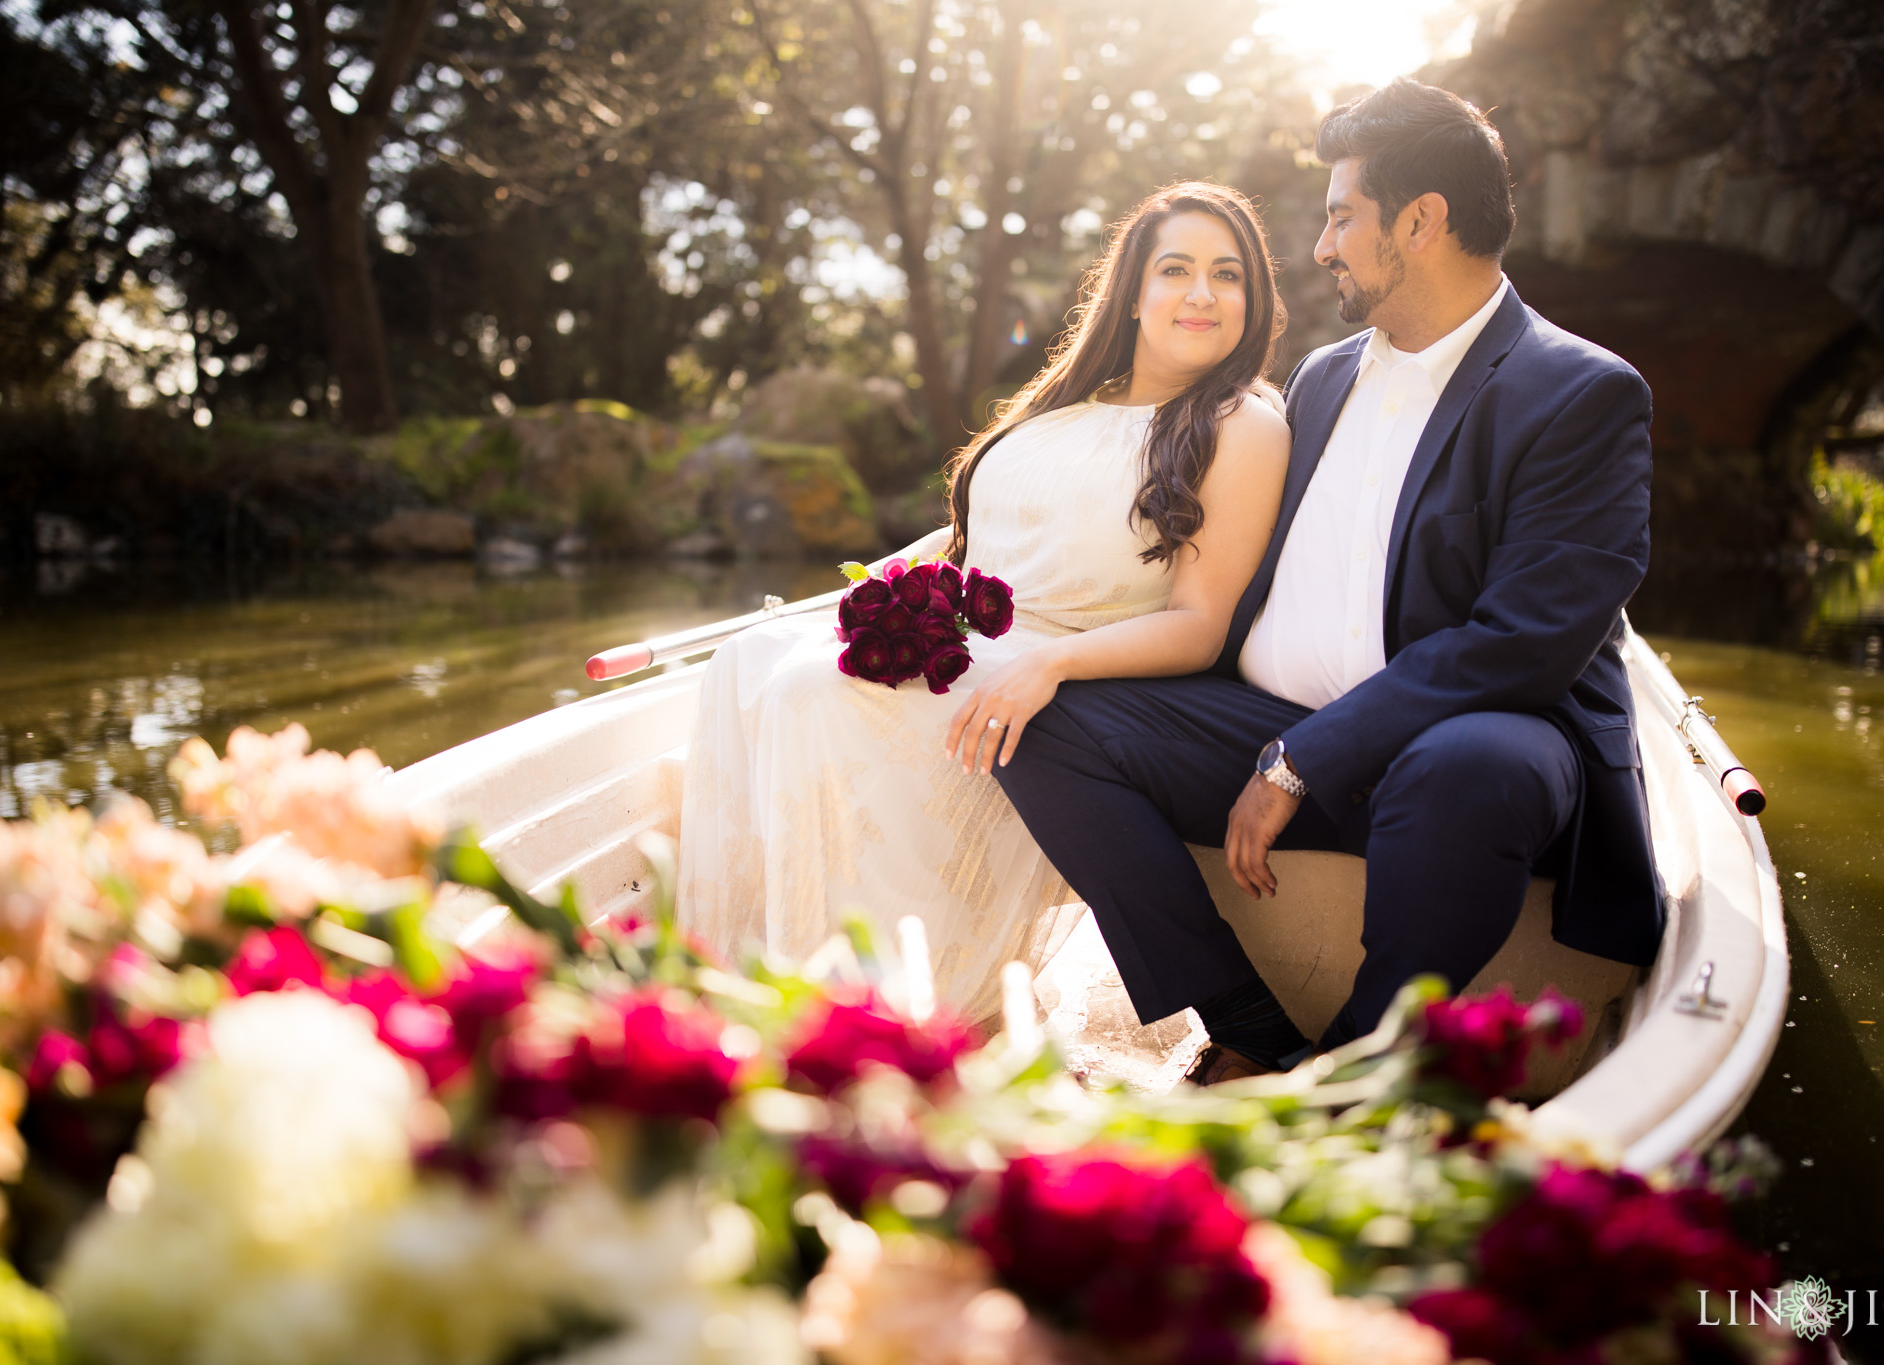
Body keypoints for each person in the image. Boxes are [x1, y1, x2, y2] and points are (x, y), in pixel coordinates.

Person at [992, 79, 1667, 1083]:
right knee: (1042, 718)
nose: (1319, 248)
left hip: (1460, 752)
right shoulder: (1321, 378)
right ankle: (1245, 1028)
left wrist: (1300, 759)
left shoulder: (1577, 393)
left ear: (1420, 222)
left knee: (1467, 767)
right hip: (1263, 728)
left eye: (1340, 217)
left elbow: (1522, 644)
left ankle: (1353, 1078)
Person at [676, 181, 1291, 1019]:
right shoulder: (1068, 402)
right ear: (1134, 293)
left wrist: (1052, 664)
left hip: (1076, 670)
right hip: (973, 629)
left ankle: (870, 1010)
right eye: (1175, 269)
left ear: (1251, 299)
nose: (1201, 293)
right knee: (745, 657)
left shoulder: (1239, 422)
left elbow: (1199, 624)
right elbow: (969, 538)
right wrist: (864, 591)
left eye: (1227, 275)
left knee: (809, 692)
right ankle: (742, 985)